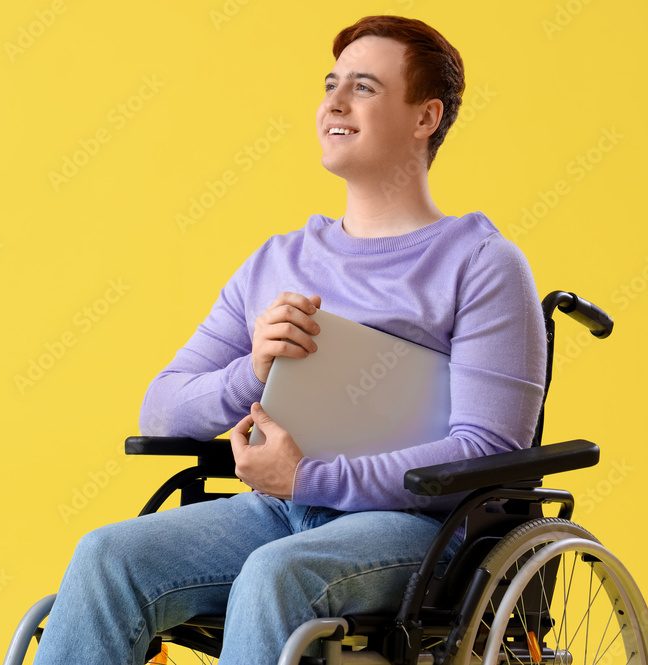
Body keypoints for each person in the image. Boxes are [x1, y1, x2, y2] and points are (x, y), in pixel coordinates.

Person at [32, 15, 546, 665]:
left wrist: (310, 473)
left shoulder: (482, 263)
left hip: (420, 530)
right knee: (107, 556)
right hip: (279, 512)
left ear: (425, 118)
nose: (333, 102)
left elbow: (488, 449)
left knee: (278, 574)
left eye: (363, 87)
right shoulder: (277, 261)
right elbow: (160, 407)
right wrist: (253, 368)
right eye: (330, 84)